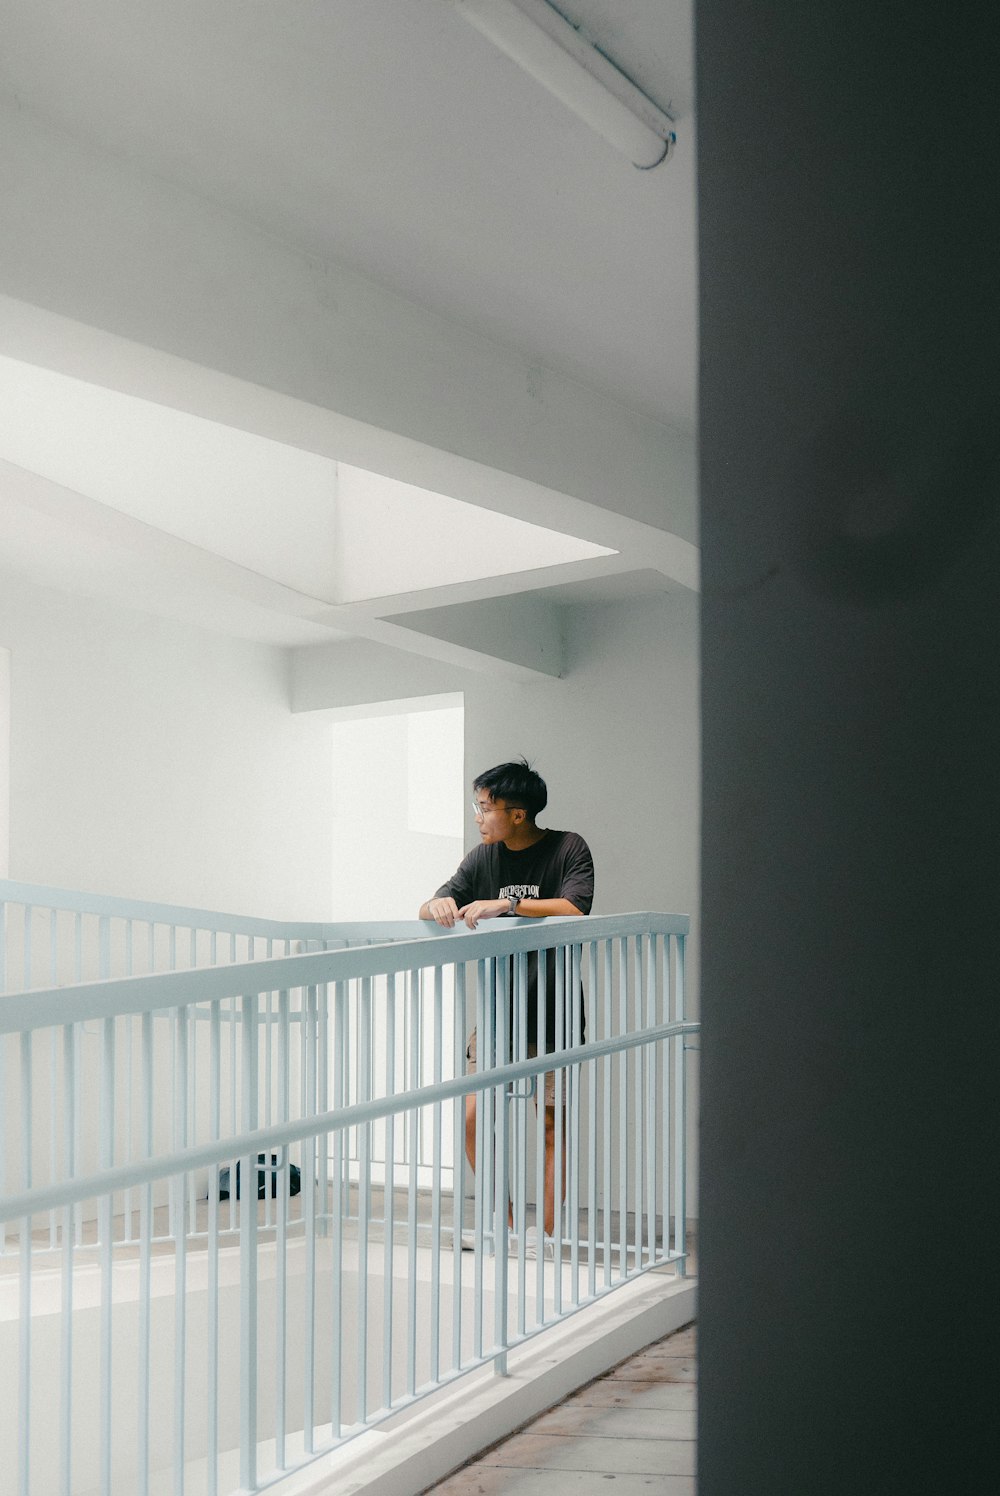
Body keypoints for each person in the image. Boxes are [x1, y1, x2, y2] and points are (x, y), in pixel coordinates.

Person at [418, 759, 594, 1258]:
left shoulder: (567, 848)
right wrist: (437, 906)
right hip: (497, 1016)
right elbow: (431, 903)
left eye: (484, 807)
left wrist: (506, 905)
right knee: (474, 1119)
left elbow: (576, 907)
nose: (478, 817)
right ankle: (510, 1228)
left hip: (554, 1012)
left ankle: (551, 1237)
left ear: (517, 814)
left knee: (550, 1124)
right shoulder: (481, 859)